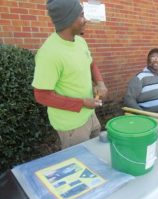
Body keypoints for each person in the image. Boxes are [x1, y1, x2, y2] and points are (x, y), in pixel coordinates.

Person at [32, 0, 108, 149]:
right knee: (81, 165)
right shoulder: (49, 53)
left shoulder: (80, 42)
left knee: (98, 154)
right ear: (68, 20)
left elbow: (91, 64)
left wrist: (100, 83)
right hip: (71, 126)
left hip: (90, 115)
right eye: (81, 15)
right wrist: (82, 103)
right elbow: (41, 95)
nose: (85, 19)